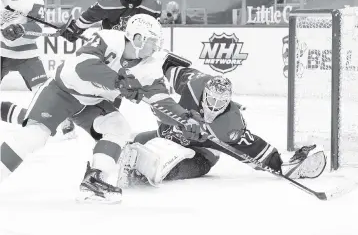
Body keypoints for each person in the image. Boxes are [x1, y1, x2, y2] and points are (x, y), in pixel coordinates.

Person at [0, 14, 203, 204]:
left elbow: (161, 101)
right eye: (152, 41)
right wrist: (118, 81)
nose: (156, 47)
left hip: (93, 102)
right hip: (61, 91)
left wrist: (184, 119)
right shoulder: (109, 39)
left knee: (118, 128)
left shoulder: (149, 67)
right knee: (34, 135)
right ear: (138, 38)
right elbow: (84, 67)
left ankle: (94, 180)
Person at [120, 64, 327, 186]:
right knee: (130, 143)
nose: (215, 107)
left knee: (183, 167)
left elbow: (256, 151)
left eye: (222, 103)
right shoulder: (195, 85)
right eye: (212, 100)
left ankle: (147, 172)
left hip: (202, 155)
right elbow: (172, 70)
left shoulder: (230, 125)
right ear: (205, 94)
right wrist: (147, 67)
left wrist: (285, 167)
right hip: (168, 136)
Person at [0, 0, 75, 139]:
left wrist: (21, 29)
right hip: (2, 53)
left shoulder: (35, 0)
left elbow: (38, 29)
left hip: (27, 55)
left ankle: (65, 123)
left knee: (44, 92)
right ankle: (24, 118)